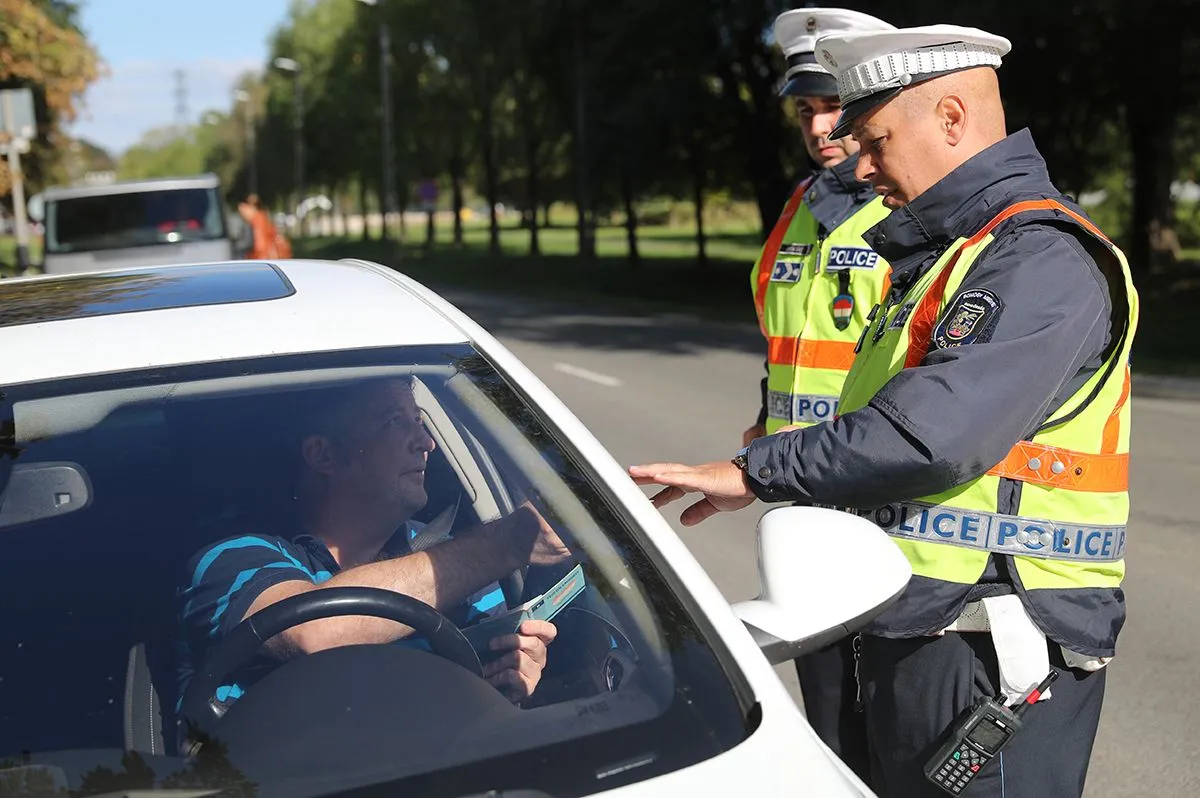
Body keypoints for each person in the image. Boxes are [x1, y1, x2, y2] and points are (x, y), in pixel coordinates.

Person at [631, 23, 1137, 798]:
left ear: (951, 119)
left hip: (993, 640)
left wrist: (754, 470)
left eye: (876, 140)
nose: (861, 164)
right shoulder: (950, 251)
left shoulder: (1039, 256)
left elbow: (930, 436)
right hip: (923, 619)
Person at [178, 376, 573, 712]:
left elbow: (482, 704)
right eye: (395, 421)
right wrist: (505, 544)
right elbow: (312, 631)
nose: (425, 441)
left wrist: (507, 676)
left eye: (419, 421)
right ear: (323, 454)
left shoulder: (455, 562)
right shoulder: (232, 558)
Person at [742, 6, 895, 782]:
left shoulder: (912, 211)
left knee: (898, 741)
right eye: (807, 109)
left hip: (885, 506)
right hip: (803, 506)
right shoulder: (799, 210)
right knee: (834, 738)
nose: (820, 124)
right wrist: (765, 423)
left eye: (835, 104)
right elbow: (788, 348)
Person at [237, 193, 292, 259]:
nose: (241, 210)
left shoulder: (257, 220)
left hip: (262, 258)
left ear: (251, 207)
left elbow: (260, 245)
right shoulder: (262, 217)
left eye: (243, 207)